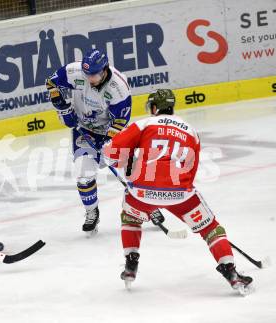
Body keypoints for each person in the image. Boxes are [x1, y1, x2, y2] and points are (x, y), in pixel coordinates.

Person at [103, 89, 253, 293]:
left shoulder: (145, 124)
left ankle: (131, 264)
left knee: (130, 216)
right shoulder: (191, 130)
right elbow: (191, 168)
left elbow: (111, 155)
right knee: (211, 229)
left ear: (154, 108)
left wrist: (119, 154)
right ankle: (230, 272)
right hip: (181, 193)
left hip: (142, 193)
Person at [46, 49, 132, 235]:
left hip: (111, 130)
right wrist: (63, 108)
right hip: (83, 129)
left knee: (131, 168)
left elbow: (121, 120)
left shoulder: (118, 87)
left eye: (94, 75)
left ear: (104, 70)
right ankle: (92, 211)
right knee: (84, 176)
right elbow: (51, 83)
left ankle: (145, 202)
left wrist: (108, 141)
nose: (90, 79)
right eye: (87, 75)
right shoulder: (74, 72)